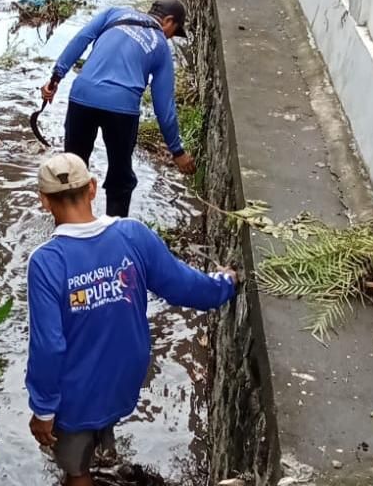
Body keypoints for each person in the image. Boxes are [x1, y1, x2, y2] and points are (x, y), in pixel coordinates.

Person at [26, 153, 237, 486]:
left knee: (75, 473)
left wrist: (43, 411)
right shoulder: (133, 234)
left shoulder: (46, 262)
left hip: (79, 391)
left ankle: (83, 470)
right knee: (96, 422)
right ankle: (101, 448)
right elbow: (183, 286)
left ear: (44, 202)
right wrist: (225, 283)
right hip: (125, 379)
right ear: (93, 188)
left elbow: (48, 346)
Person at [40, 0, 198, 218]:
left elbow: (80, 40)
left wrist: (55, 79)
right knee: (120, 178)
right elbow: (164, 107)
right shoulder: (161, 46)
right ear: (168, 21)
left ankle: (67, 229)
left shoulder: (113, 13)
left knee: (72, 170)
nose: (170, 37)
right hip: (122, 110)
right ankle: (114, 232)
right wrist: (177, 151)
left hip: (82, 96)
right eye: (174, 31)